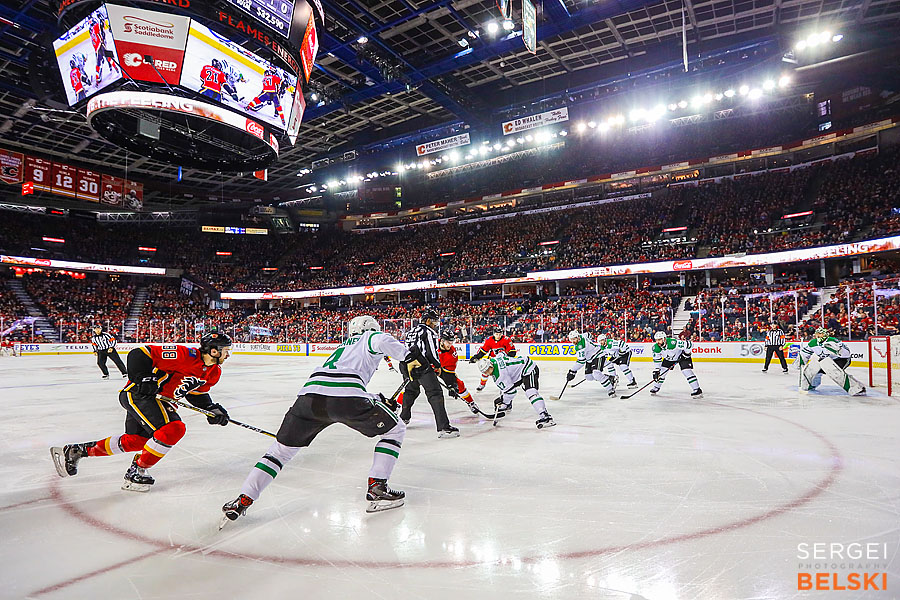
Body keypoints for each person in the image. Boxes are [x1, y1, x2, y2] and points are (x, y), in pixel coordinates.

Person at [220, 316, 415, 523]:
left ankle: (243, 499)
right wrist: (409, 356)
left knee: (278, 452)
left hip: (309, 398)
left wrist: (379, 400)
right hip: (346, 397)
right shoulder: (370, 337)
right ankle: (377, 487)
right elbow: (379, 344)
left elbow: (337, 382)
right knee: (395, 430)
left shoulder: (343, 346)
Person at [50, 332, 233, 492]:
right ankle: (136, 472)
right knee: (173, 429)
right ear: (214, 351)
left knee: (138, 441)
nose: (228, 354)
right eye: (226, 350)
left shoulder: (213, 372)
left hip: (158, 401)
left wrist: (210, 408)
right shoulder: (185, 355)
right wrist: (143, 378)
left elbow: (196, 393)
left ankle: (77, 451)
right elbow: (139, 354)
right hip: (140, 395)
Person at [399, 310, 457, 437]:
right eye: (434, 321)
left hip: (407, 366)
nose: (435, 324)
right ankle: (444, 427)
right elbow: (430, 352)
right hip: (422, 367)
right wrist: (437, 366)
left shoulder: (411, 331)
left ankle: (403, 418)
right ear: (428, 320)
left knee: (411, 392)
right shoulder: (429, 332)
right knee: (435, 394)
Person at [477, 353, 554, 428]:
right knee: (504, 389)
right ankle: (505, 406)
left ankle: (546, 417)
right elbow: (502, 354)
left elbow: (512, 392)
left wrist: (502, 399)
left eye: (487, 370)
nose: (487, 373)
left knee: (531, 392)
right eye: (484, 372)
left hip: (528, 368)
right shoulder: (494, 359)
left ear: (490, 365)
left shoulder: (500, 376)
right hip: (520, 372)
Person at [798, 328, 865, 395]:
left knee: (835, 373)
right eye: (817, 334)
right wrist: (801, 362)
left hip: (841, 360)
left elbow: (847, 353)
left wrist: (839, 350)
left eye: (820, 334)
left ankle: (856, 388)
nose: (818, 336)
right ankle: (811, 385)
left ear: (825, 334)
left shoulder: (833, 341)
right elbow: (804, 353)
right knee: (814, 369)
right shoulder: (813, 343)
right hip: (826, 361)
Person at [434, 329, 481, 415]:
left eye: (452, 342)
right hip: (426, 366)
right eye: (448, 342)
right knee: (412, 385)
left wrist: (452, 385)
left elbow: (449, 372)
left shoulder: (452, 354)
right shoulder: (432, 344)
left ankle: (471, 403)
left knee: (459, 384)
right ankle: (400, 404)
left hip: (442, 368)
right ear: (442, 341)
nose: (450, 345)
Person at [649, 331, 703, 398]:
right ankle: (656, 387)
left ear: (664, 339)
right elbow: (657, 360)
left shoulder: (673, 343)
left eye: (659, 340)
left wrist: (686, 354)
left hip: (682, 357)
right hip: (668, 359)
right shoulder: (656, 348)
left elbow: (690, 344)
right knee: (661, 372)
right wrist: (657, 370)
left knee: (686, 371)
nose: (657, 342)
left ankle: (697, 389)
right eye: (656, 340)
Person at [565, 329, 615, 397]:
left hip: (598, 355)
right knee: (589, 377)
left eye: (574, 339)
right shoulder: (583, 335)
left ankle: (610, 389)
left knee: (596, 374)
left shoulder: (580, 347)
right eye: (571, 339)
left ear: (577, 337)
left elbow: (581, 362)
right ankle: (609, 378)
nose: (573, 341)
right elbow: (589, 334)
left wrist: (572, 371)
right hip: (589, 359)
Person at [469, 325, 516, 391]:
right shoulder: (489, 340)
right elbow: (483, 351)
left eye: (500, 334)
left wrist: (508, 358)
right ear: (494, 334)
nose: (498, 336)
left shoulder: (506, 339)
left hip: (503, 360)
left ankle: (510, 384)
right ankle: (482, 385)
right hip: (492, 359)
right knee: (485, 371)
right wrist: (476, 357)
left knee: (506, 373)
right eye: (497, 334)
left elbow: (512, 351)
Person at [88, 11, 117, 82]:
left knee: (99, 62)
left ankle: (98, 78)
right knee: (108, 56)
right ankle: (115, 68)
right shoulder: (96, 25)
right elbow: (101, 26)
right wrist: (102, 19)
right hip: (100, 45)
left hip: (96, 48)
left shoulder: (90, 29)